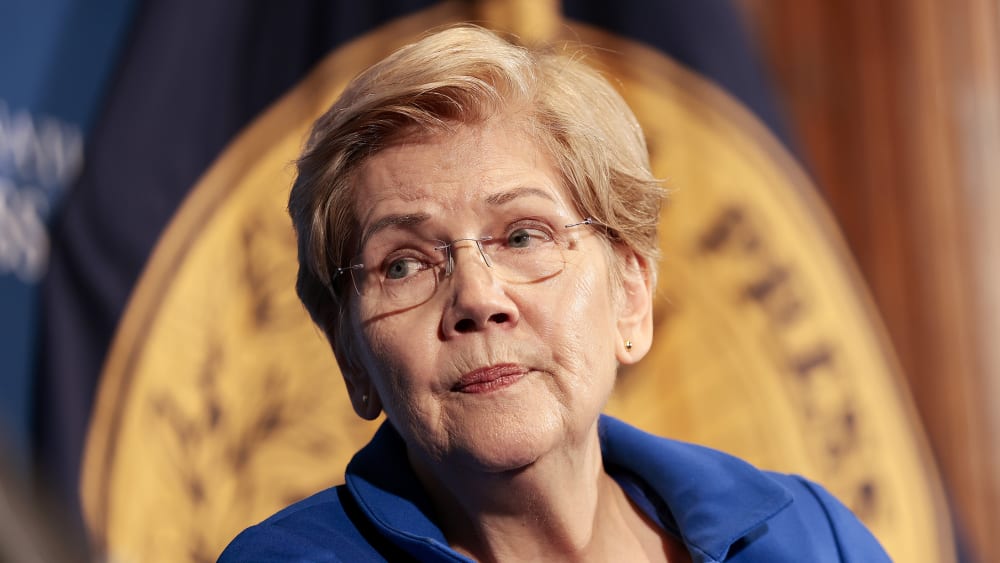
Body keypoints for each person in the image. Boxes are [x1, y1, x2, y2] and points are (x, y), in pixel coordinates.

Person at [219, 25, 890, 562]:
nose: (478, 298)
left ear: (631, 293)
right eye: (404, 265)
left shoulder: (808, 537)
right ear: (350, 355)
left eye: (522, 236)